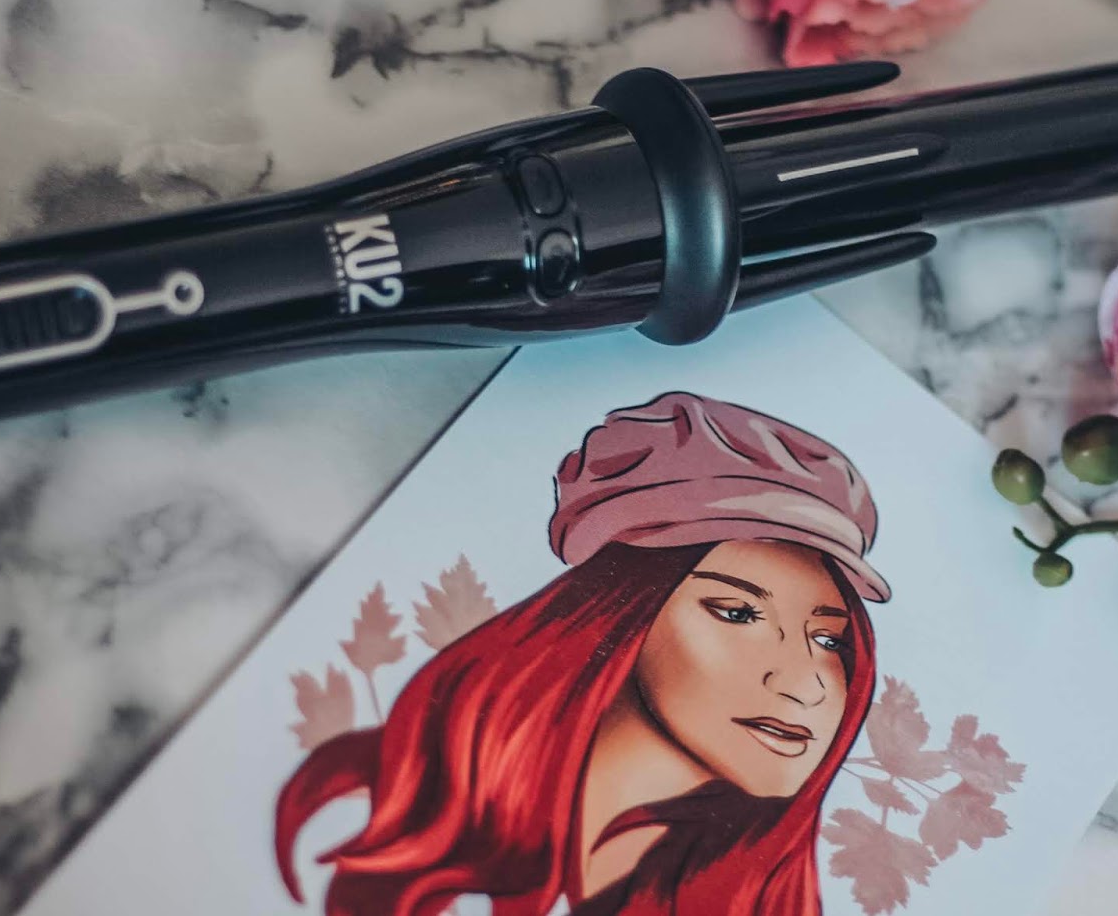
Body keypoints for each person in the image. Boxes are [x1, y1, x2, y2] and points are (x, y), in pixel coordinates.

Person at [275, 391, 890, 915]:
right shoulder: (364, 821)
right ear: (618, 610)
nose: (806, 684)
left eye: (828, 640)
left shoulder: (743, 890)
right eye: (738, 613)